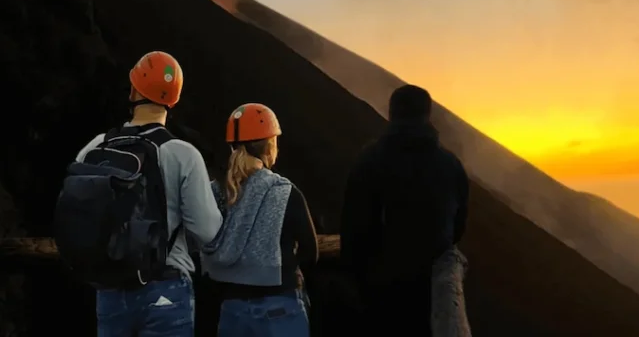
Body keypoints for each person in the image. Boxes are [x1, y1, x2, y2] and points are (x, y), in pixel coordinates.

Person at [56, 51, 223, 337]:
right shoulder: (183, 154)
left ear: (134, 90)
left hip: (109, 289)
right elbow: (207, 231)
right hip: (165, 287)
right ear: (173, 99)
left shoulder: (95, 146)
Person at [339, 84, 469, 335]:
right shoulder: (450, 165)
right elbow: (458, 227)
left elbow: (353, 228)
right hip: (431, 292)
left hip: (379, 292)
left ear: (391, 114)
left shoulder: (369, 161)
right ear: (427, 115)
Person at [201, 103, 319, 337]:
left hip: (231, 310)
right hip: (279, 308)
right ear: (269, 146)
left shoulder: (215, 191)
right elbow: (310, 251)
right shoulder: (283, 190)